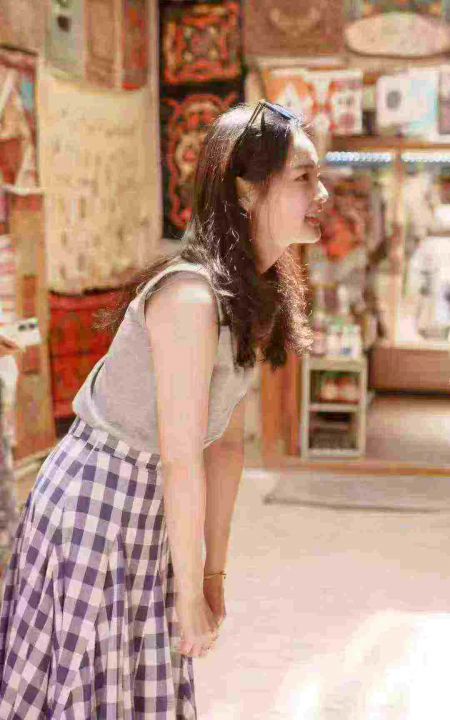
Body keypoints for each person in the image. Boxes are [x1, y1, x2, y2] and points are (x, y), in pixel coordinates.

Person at [0, 100, 328, 718]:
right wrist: (187, 591)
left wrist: (211, 575)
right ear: (246, 190)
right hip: (98, 503)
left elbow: (223, 447)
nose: (323, 193)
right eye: (304, 177)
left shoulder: (251, 294)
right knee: (86, 692)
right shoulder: (190, 297)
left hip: (154, 511)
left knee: (136, 691)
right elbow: (181, 460)